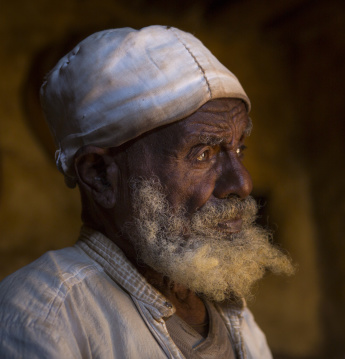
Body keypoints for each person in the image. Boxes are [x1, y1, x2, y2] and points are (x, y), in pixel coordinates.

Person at [0, 25, 295, 358]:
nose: (242, 183)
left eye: (238, 150)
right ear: (100, 176)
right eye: (203, 154)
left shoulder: (233, 314)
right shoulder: (43, 316)